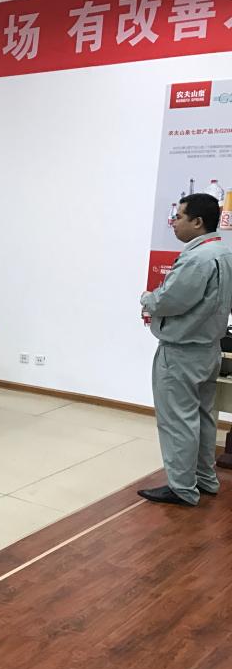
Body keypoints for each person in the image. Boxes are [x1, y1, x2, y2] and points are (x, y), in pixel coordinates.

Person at [139, 193, 232, 506]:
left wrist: (147, 298)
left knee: (177, 420)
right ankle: (205, 479)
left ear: (197, 222)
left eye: (179, 217)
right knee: (203, 417)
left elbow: (170, 301)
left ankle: (181, 488)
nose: (174, 222)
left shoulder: (197, 259)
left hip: (181, 352)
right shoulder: (224, 253)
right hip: (208, 350)